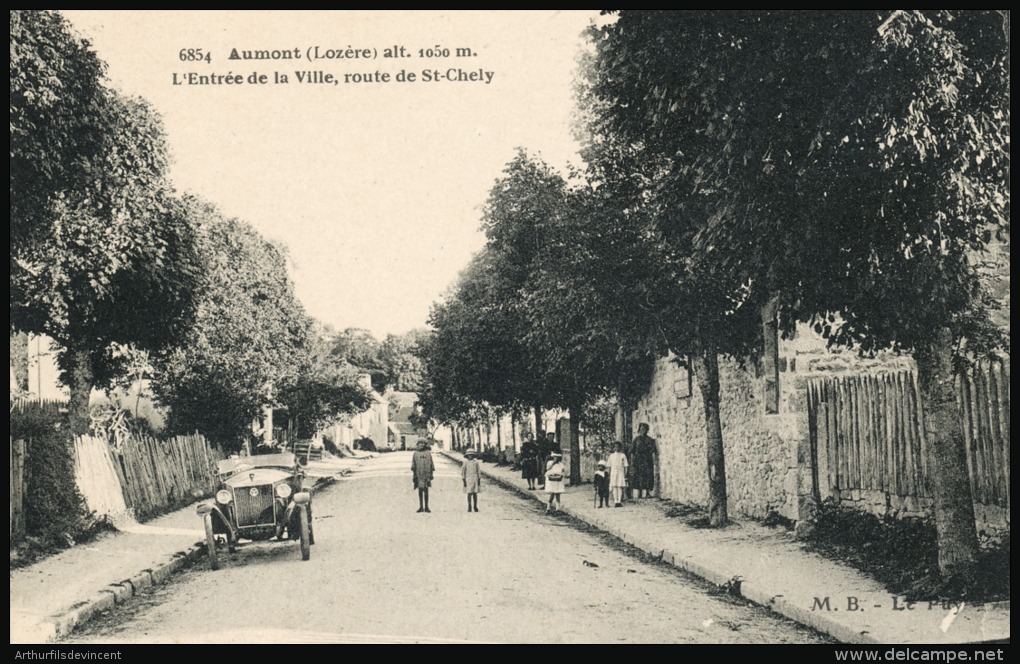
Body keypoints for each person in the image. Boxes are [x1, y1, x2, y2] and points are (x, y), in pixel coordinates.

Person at [629, 423, 658, 499]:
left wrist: (654, 462)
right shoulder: (636, 440)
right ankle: (638, 493)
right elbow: (632, 451)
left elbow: (653, 451)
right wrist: (632, 462)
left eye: (644, 429)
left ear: (647, 430)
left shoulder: (650, 440)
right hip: (638, 460)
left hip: (647, 460)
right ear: (639, 430)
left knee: (647, 475)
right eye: (641, 429)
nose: (643, 431)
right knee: (637, 476)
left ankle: (646, 493)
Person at [411, 440, 435, 513]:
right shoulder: (415, 454)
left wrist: (431, 474)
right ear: (417, 445)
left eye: (423, 443)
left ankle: (426, 507)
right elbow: (413, 465)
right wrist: (414, 475)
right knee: (420, 490)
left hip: (426, 475)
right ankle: (421, 506)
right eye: (419, 443)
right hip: (419, 475)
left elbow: (431, 464)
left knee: (426, 491)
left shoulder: (428, 454)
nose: (421, 445)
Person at [607, 441, 629, 508]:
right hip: (613, 472)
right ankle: (615, 501)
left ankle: (619, 501)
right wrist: (609, 474)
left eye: (618, 446)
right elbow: (609, 466)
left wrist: (625, 474)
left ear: (620, 447)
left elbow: (626, 465)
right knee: (614, 487)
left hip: (620, 472)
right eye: (615, 447)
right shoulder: (611, 456)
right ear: (613, 448)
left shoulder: (623, 455)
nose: (617, 448)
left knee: (619, 486)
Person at [544, 449, 566, 514]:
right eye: (555, 457)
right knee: (552, 494)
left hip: (558, 479)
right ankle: (548, 508)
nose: (556, 458)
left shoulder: (561, 464)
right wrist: (553, 463)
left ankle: (558, 509)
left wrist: (561, 474)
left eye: (557, 457)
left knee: (558, 494)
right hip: (552, 479)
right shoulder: (550, 462)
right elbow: (547, 469)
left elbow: (563, 471)